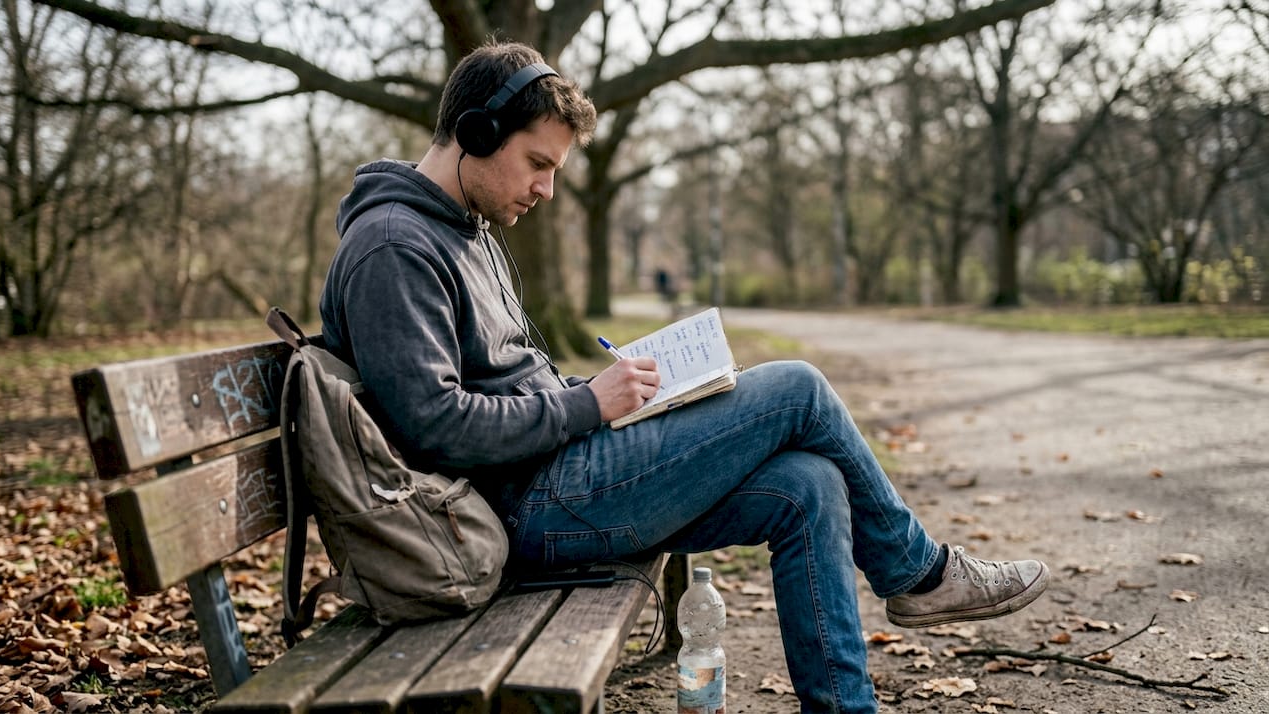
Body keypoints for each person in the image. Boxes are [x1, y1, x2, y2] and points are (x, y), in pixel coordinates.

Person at [319, 40, 1049, 714]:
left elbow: (502, 380)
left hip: (557, 477)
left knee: (808, 486)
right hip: (518, 512)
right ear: (477, 134)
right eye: (538, 163)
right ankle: (919, 574)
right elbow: (434, 426)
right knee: (796, 386)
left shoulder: (463, 228)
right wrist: (588, 406)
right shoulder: (394, 247)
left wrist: (618, 391)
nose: (545, 189)